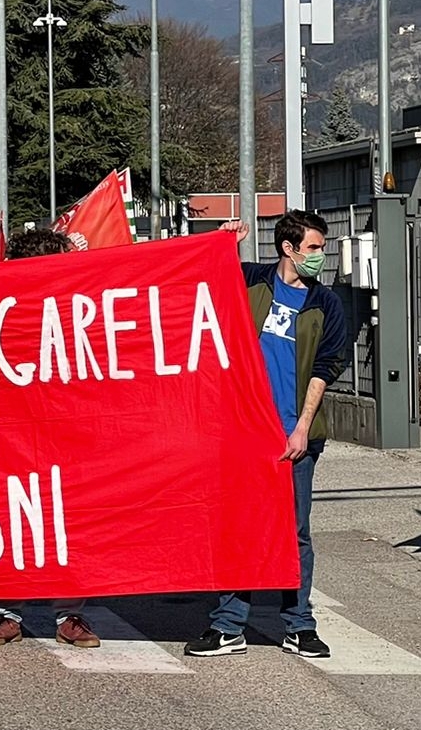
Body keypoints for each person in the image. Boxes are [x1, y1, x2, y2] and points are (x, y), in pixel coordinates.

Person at [185, 210, 346, 660]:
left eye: (322, 246)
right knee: (238, 528)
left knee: (295, 533)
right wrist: (224, 243)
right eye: (313, 247)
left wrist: (301, 429)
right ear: (288, 248)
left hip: (295, 436)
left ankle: (299, 625)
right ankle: (229, 626)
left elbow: (325, 369)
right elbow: (201, 280)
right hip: (242, 434)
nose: (321, 255)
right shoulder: (252, 281)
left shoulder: (326, 303)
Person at [0, 228, 101, 650]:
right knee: (11, 522)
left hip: (67, 432)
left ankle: (69, 615)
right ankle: (8, 614)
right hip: (7, 435)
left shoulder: (75, 307)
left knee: (70, 523)